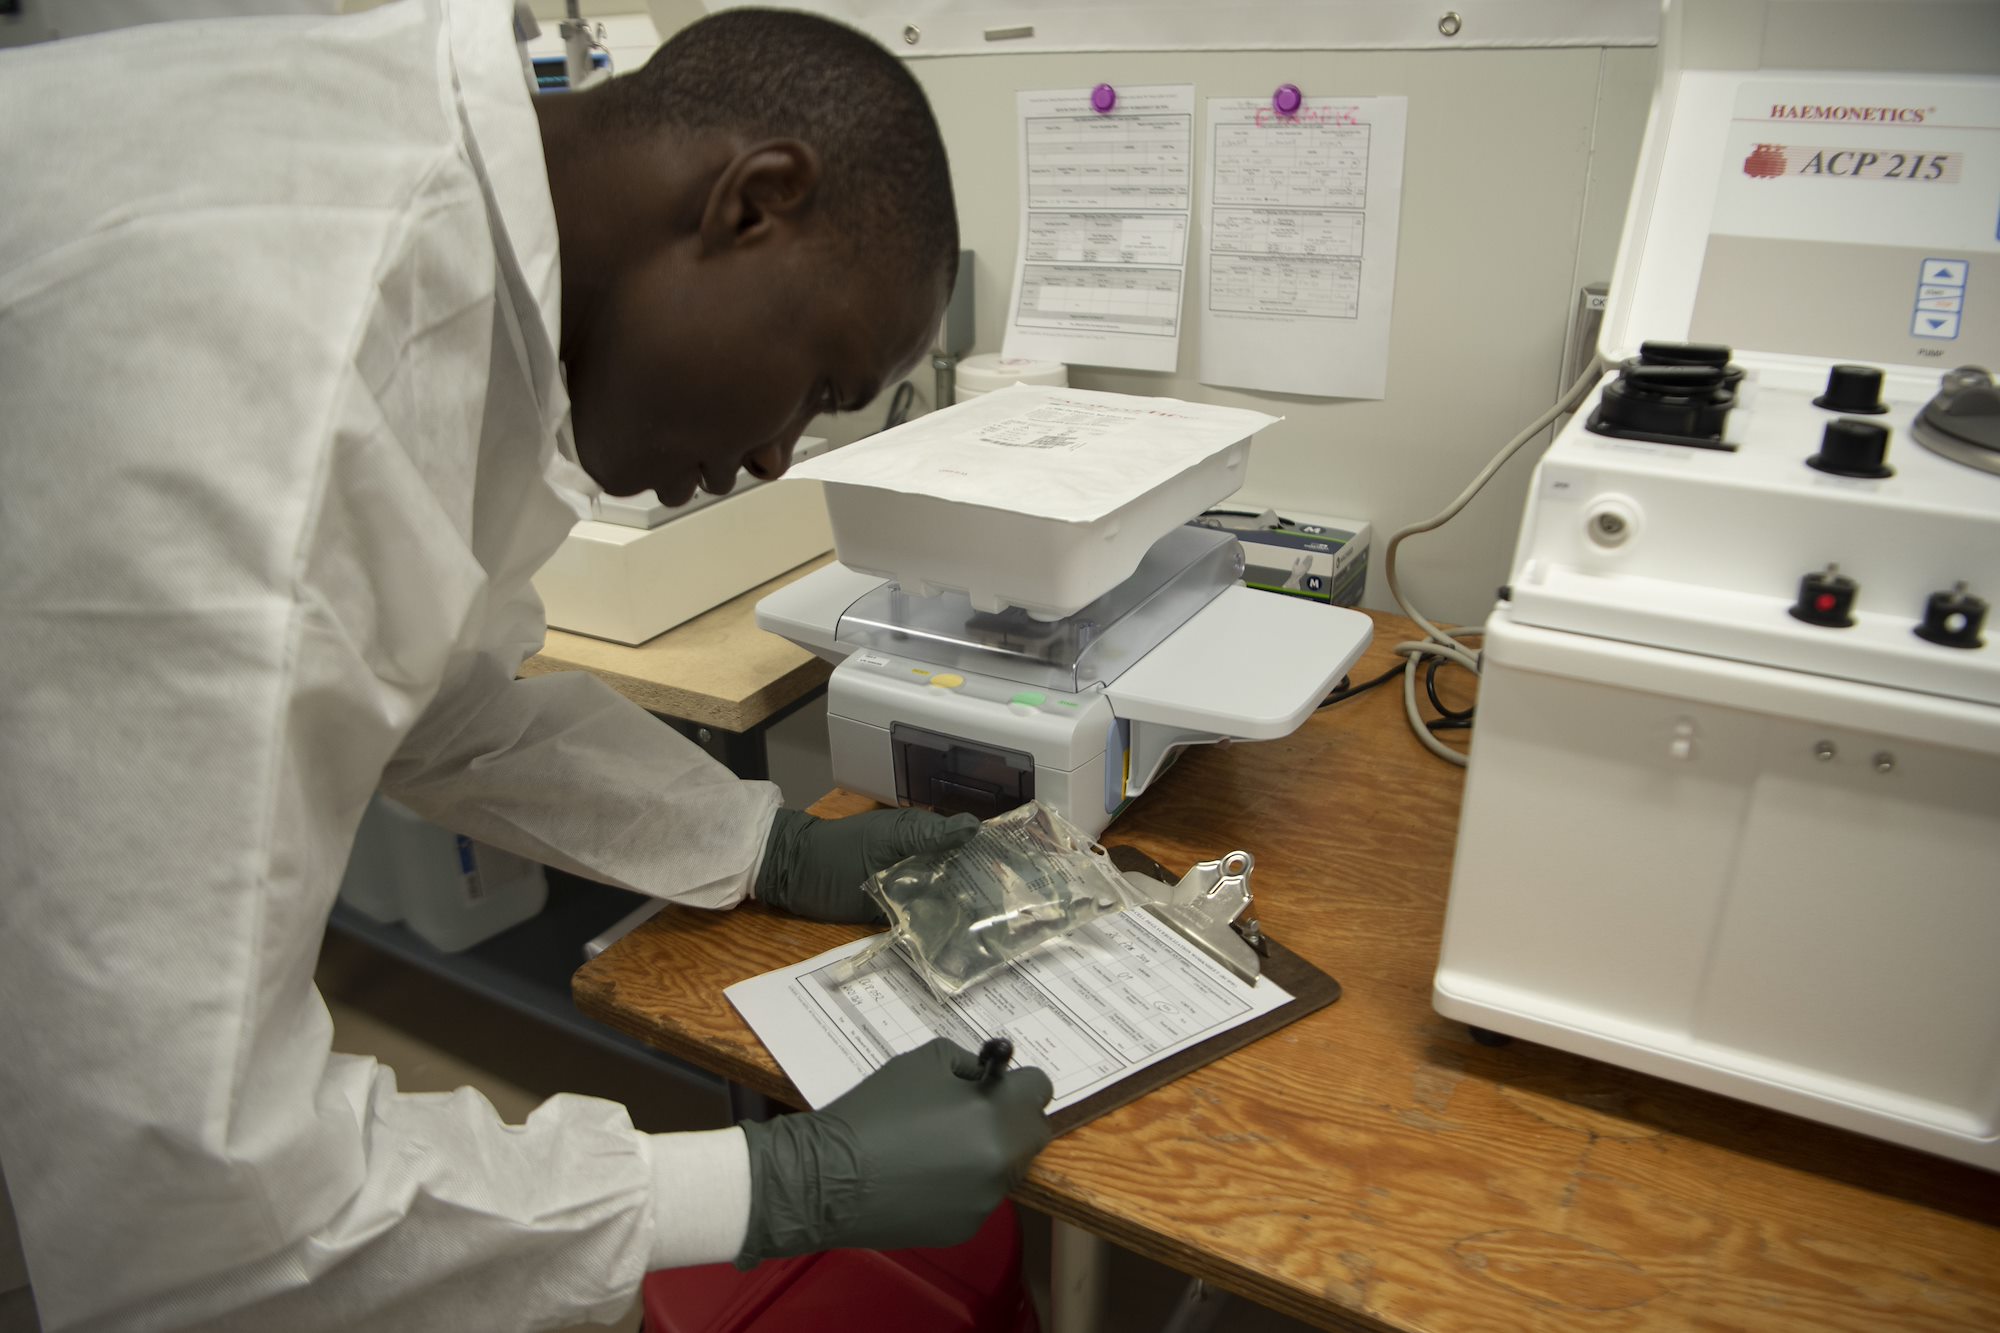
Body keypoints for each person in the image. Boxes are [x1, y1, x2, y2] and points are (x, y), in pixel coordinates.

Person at [0, 3, 1055, 1330]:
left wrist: (769, 846)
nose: (784, 452)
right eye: (818, 383)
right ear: (754, 203)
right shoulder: (295, 381)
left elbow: (445, 698)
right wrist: (782, 1183)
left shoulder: (433, 195)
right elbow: (199, 1199)